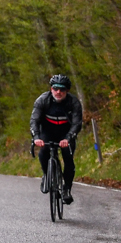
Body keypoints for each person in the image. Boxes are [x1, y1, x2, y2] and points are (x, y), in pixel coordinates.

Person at [32, 74, 84, 205]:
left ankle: (67, 189)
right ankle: (46, 175)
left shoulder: (74, 103)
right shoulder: (42, 100)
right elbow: (34, 120)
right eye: (55, 89)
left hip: (65, 134)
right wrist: (36, 137)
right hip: (47, 132)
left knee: (68, 157)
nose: (58, 92)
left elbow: (77, 124)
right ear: (51, 89)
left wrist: (68, 138)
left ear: (67, 91)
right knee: (43, 151)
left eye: (62, 89)